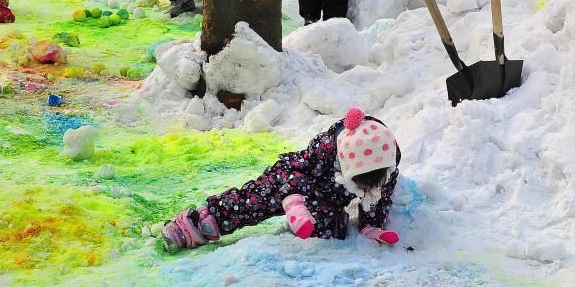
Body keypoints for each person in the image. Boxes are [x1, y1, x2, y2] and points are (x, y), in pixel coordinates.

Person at [161, 108, 402, 253]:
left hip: (328, 200)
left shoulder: (386, 160)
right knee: (261, 197)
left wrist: (372, 224)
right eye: (357, 183)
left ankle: (326, 219)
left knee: (327, 233)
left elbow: (379, 196)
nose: (362, 189)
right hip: (292, 181)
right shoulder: (328, 146)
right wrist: (294, 202)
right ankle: (205, 220)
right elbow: (301, 170)